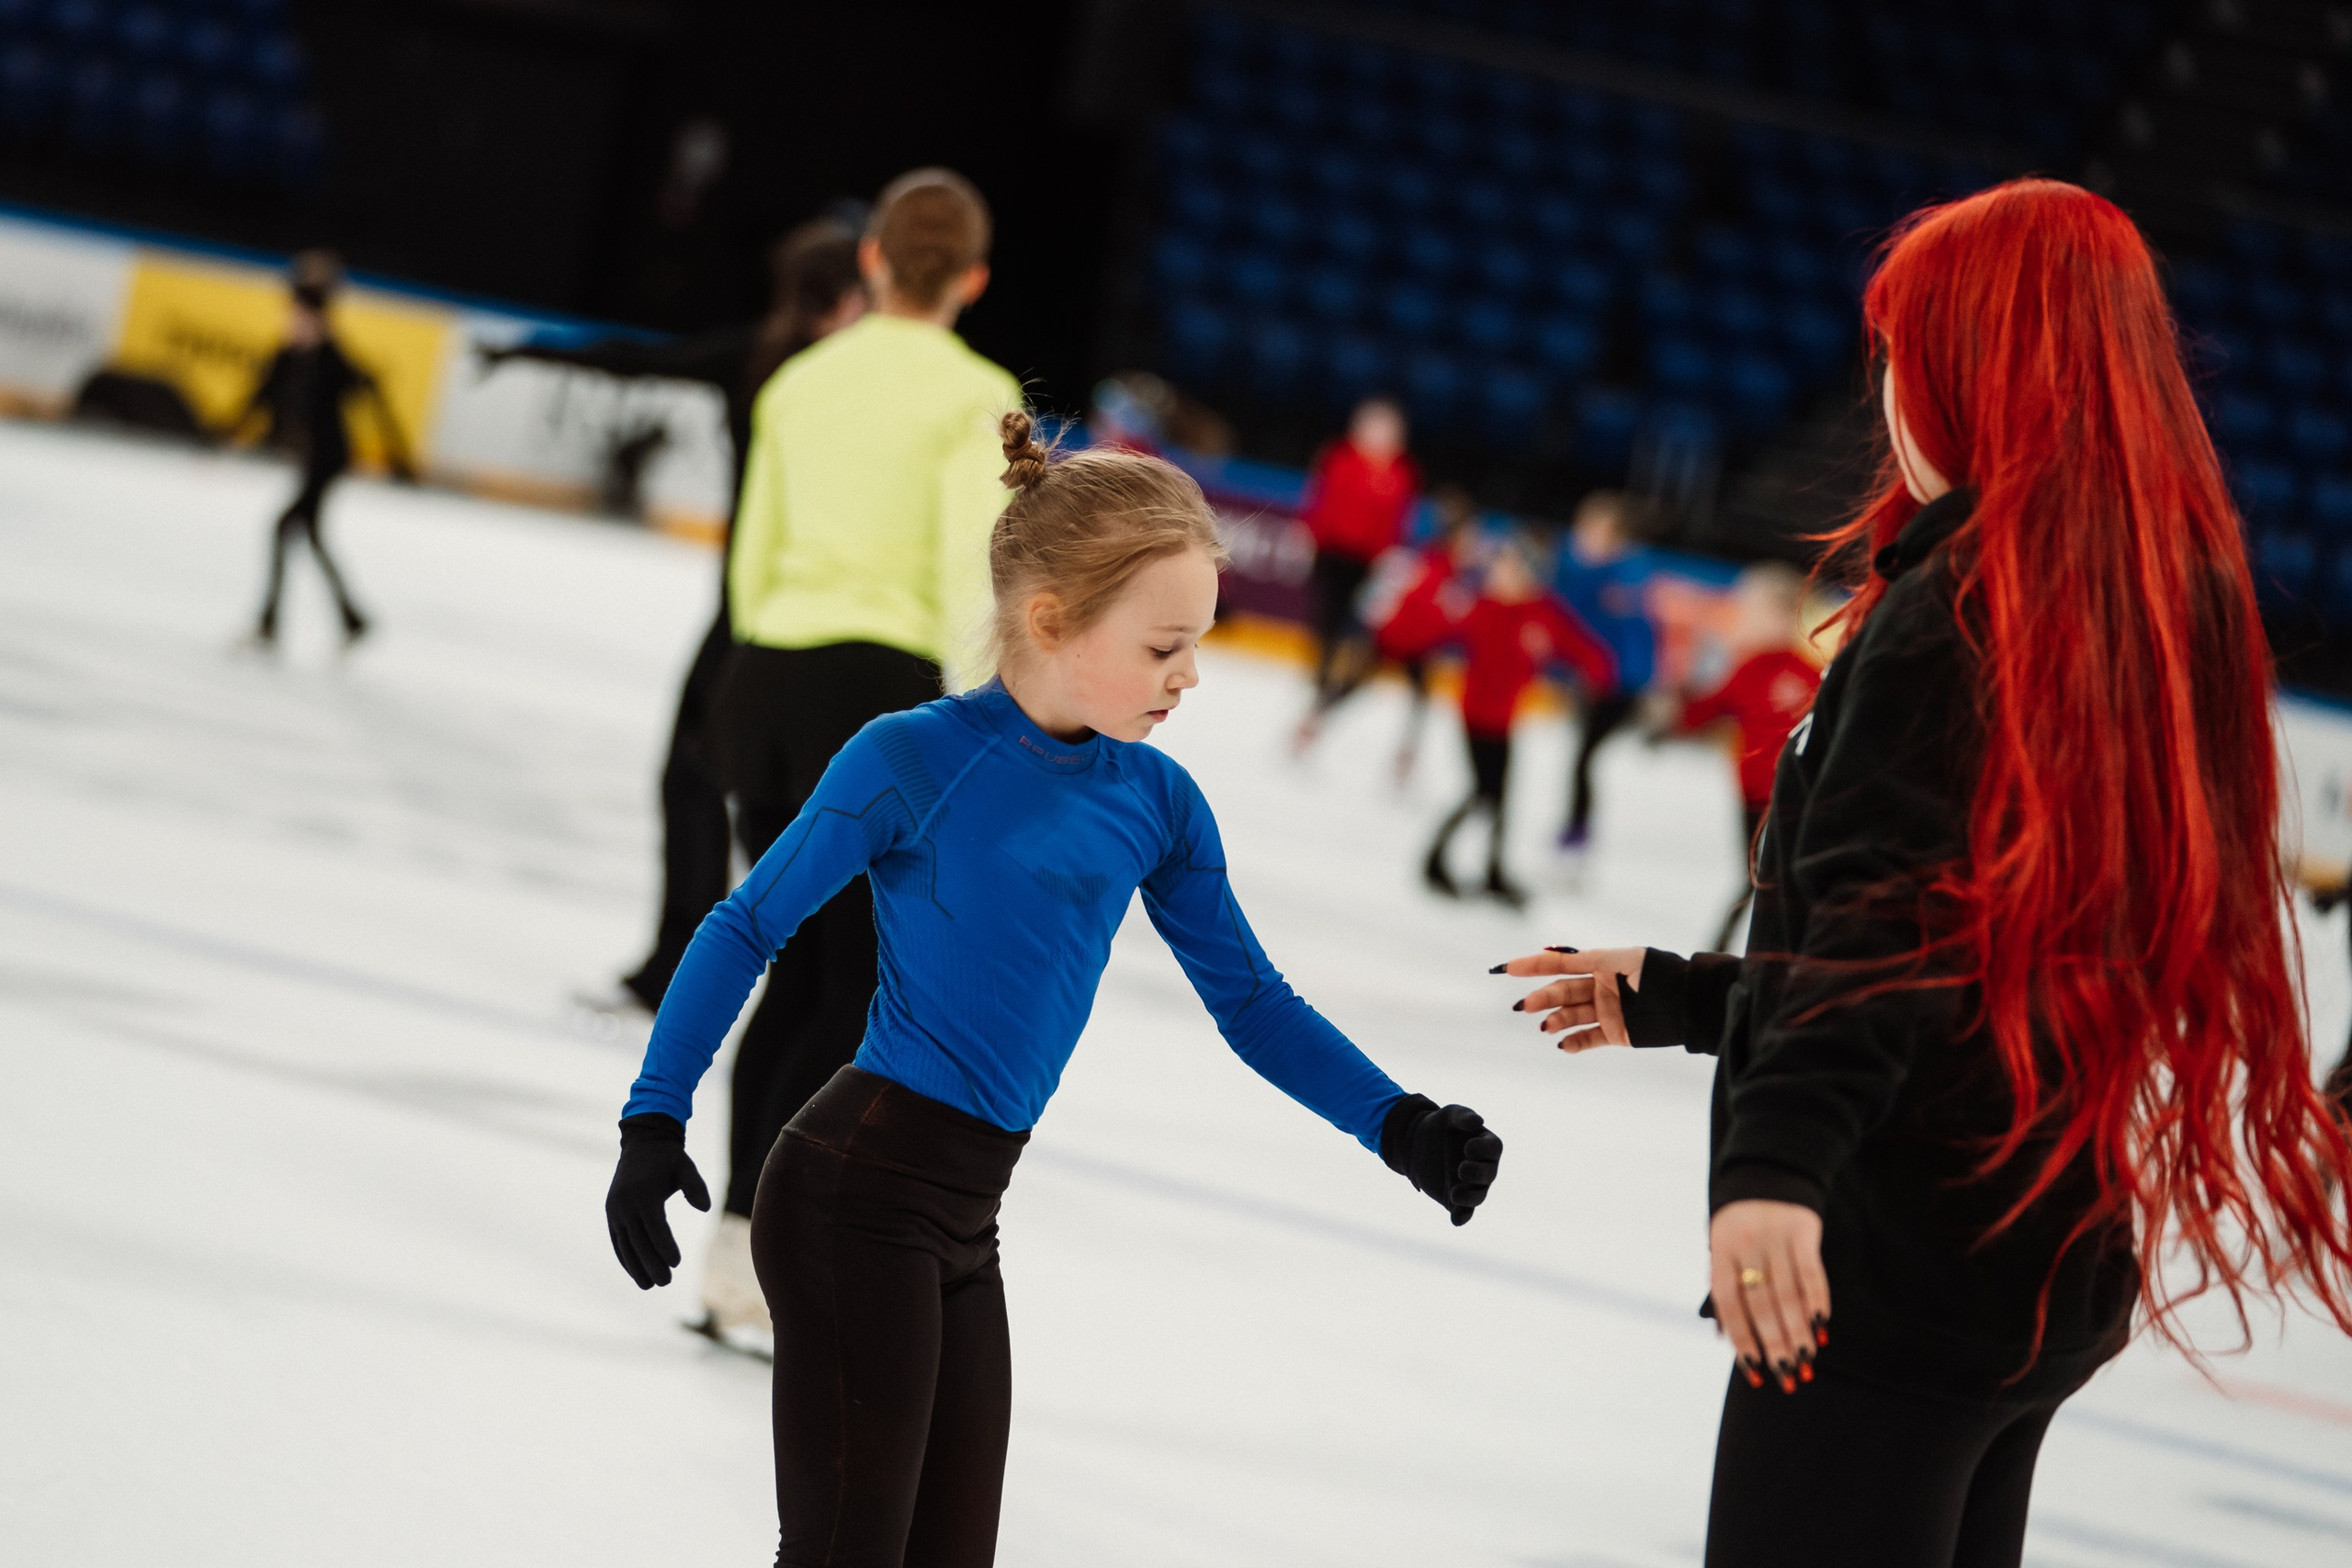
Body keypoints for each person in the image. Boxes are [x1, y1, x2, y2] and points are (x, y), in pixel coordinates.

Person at [1495, 180, 2352, 1568]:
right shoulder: (2137, 599)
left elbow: (1892, 932)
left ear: (1974, 369)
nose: (1884, 389)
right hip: (2034, 1248)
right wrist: (1697, 996)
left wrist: (1774, 1167)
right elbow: (1987, 934)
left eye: (1899, 353)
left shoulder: (1963, 610)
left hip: (1892, 1264)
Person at [605, 413, 1504, 1568]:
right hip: (850, 1198)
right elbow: (745, 925)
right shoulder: (911, 758)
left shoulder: (1159, 803)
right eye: (1163, 646)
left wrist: (1401, 1124)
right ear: (1048, 620)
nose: (1187, 677)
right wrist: (653, 1112)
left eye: (1199, 646)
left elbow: (1252, 1003)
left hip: (963, 1222)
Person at [693, 169, 1019, 1350]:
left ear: (874, 259)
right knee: (854, 992)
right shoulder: (976, 395)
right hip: (877, 689)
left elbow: (750, 562)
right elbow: (958, 576)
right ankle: (773, 1255)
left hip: (766, 680)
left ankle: (735, 1251)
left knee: (794, 975)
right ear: (973, 279)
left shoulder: (801, 377)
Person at [483, 219, 867, 1021]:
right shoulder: (834, 380)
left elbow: (636, 358)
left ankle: (703, 971)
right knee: (758, 799)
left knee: (712, 786)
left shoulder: (765, 362)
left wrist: (526, 349)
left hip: (751, 613)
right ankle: (795, 982)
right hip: (799, 615)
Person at [1424, 535, 1613, 910]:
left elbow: (1580, 647)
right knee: (1482, 793)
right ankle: (1434, 860)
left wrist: (1597, 673)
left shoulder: (1542, 612)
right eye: (1498, 567)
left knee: (1500, 798)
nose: (1500, 575)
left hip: (1505, 720)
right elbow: (1434, 628)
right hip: (1475, 717)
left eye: (1510, 568)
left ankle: (1492, 870)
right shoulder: (1479, 607)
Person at [234, 250, 413, 648]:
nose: (292, 319)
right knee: (309, 535)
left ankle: (270, 623)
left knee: (284, 528)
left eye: (300, 313)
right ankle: (351, 618)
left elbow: (372, 392)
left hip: (329, 459)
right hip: (313, 458)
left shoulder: (331, 357)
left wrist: (399, 457)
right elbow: (259, 397)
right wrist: (226, 434)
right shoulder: (290, 354)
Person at [1667, 561, 1819, 950]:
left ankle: (1749, 951)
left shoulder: (1807, 675)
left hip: (1789, 799)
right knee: (1752, 876)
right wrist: (1676, 701)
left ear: (1786, 616)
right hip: (1750, 796)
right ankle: (1738, 952)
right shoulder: (1745, 667)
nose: (1744, 619)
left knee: (1770, 879)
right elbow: (1705, 711)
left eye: (1754, 611)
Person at [1308, 484, 1482, 782]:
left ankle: (1402, 757)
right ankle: (1313, 723)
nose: (1475, 544)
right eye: (1470, 537)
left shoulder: (1446, 567)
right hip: (1394, 640)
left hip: (1415, 646)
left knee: (1417, 702)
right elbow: (1427, 610)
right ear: (1456, 537)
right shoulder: (1434, 566)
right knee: (1356, 687)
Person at [1294, 396, 1419, 749]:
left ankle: (1332, 690)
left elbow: (1395, 519)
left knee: (1357, 628)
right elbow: (1323, 498)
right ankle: (1321, 682)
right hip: (1332, 553)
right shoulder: (1341, 457)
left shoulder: (1400, 473)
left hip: (1367, 563)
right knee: (1326, 621)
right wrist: (1311, 534)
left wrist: (1387, 555)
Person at [1552, 491, 1659, 878]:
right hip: (1593, 683)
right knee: (1580, 759)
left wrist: (1646, 687)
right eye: (1585, 528)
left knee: (1583, 759)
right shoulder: (1576, 568)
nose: (1586, 536)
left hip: (1619, 687)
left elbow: (1636, 639)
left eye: (1598, 531)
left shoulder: (1626, 579)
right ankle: (1574, 833)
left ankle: (1576, 837)